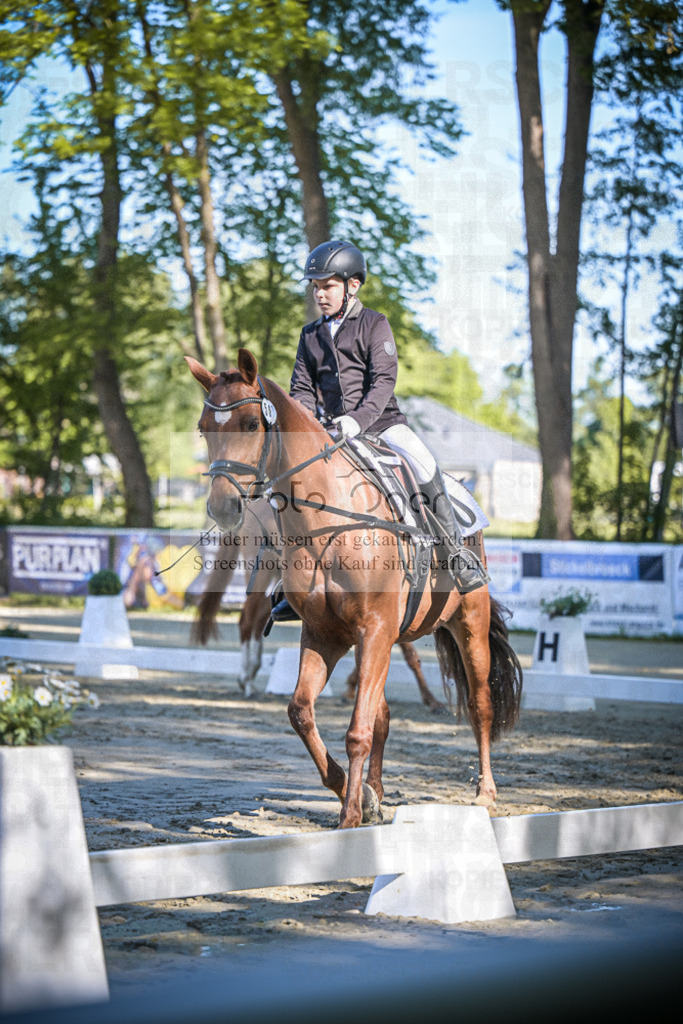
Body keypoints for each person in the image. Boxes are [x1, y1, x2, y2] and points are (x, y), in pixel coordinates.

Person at [270, 240, 488, 621]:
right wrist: (309, 426)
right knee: (289, 483)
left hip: (382, 425)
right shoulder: (309, 335)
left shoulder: (374, 324)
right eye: (315, 287)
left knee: (424, 465)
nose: (319, 294)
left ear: (352, 285)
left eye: (328, 286)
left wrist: (357, 419)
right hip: (330, 433)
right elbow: (301, 389)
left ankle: (456, 554)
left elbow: (384, 381)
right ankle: (298, 579)